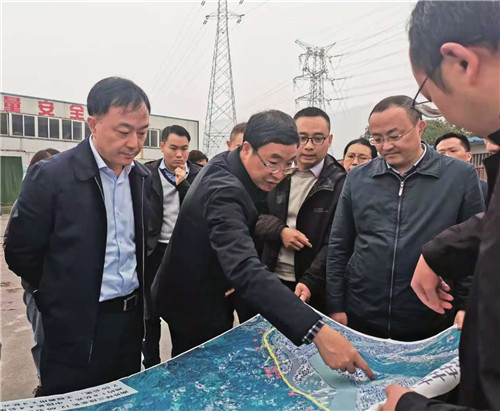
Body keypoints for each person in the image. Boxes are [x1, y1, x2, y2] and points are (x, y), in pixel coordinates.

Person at [152, 110, 374, 379]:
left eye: (289, 163)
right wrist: (317, 331)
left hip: (215, 286)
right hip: (192, 301)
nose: (279, 174)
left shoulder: (235, 164)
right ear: (246, 148)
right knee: (198, 376)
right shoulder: (224, 189)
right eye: (273, 162)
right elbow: (244, 267)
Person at [382, 1, 500, 409]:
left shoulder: (460, 176)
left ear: (461, 63)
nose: (443, 113)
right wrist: (439, 251)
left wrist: (410, 407)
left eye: (430, 96)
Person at [4, 77, 152, 396]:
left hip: (128, 322)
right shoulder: (52, 176)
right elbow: (20, 251)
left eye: (142, 133)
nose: (134, 143)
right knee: (72, 398)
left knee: (121, 397)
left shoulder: (141, 178)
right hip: (73, 326)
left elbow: (144, 244)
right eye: (123, 131)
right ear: (93, 124)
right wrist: (56, 296)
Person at [326, 95, 484, 342]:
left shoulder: (459, 176)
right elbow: (339, 243)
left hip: (431, 313)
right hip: (363, 311)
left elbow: (473, 248)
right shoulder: (358, 178)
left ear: (420, 127)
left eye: (395, 136)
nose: (386, 146)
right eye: (377, 139)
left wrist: (466, 304)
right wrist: (336, 304)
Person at [254, 107, 346, 314]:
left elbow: (337, 241)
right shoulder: (275, 173)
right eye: (302, 138)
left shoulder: (340, 183)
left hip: (312, 287)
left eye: (318, 139)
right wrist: (280, 231)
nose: (309, 146)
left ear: (329, 140)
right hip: (270, 278)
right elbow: (253, 216)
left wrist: (311, 280)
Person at [142, 125, 201, 368]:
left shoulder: (199, 175)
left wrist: (184, 184)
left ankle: (180, 364)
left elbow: (201, 211)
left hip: (183, 253)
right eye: (173, 148)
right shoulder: (146, 174)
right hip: (154, 251)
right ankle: (151, 365)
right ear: (162, 146)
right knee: (149, 315)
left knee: (182, 314)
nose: (179, 154)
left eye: (184, 149)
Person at [3, 148, 60, 396]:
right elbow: (14, 248)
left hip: (69, 288)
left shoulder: (70, 198)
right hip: (40, 290)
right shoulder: (27, 201)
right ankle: (45, 386)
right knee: (45, 341)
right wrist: (39, 282)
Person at [434, 132, 488, 203]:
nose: (447, 156)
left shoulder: (487, 189)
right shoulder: (429, 188)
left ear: (468, 156)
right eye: (441, 153)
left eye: (453, 151)